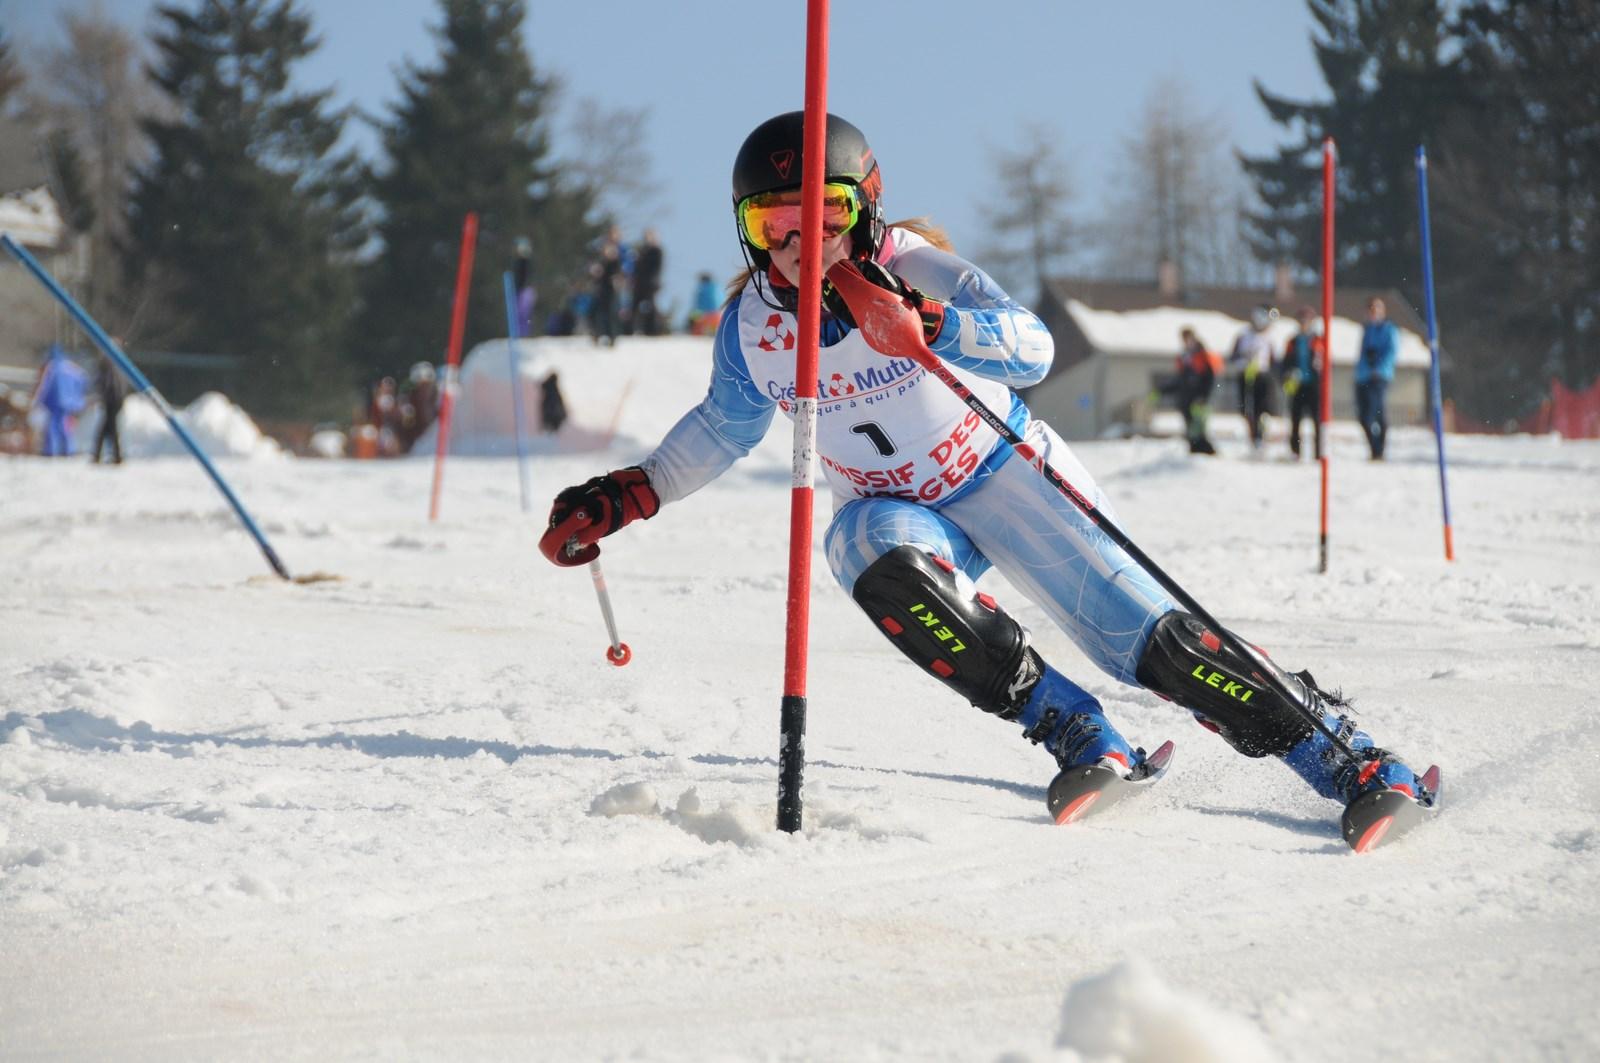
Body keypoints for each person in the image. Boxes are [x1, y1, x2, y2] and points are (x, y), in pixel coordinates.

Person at [536, 112, 1427, 829]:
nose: (804, 242)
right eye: (775, 224)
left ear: (866, 207)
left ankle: (1345, 756)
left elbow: (1032, 348)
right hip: (896, 508)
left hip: (1003, 470)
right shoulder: (754, 328)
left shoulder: (913, 266)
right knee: (867, 554)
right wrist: (629, 494)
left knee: (1159, 649)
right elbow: (722, 427)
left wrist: (929, 325)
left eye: (828, 215)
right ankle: (1078, 732)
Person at [1227, 305, 1277, 453]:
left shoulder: (1270, 337)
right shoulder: (1243, 335)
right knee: (1246, 408)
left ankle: (1260, 436)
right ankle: (1253, 436)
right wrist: (1244, 362)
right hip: (1245, 375)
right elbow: (1233, 356)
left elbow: (1274, 360)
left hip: (1263, 376)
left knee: (1262, 408)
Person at [1356, 296, 1398, 460]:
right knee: (1363, 417)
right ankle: (1375, 448)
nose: (1374, 312)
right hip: (1363, 377)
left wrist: (1379, 369)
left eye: (1377, 308)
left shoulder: (1389, 329)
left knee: (1377, 414)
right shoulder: (1367, 329)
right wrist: (1361, 373)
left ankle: (1379, 450)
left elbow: (1391, 353)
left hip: (1380, 378)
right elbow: (1362, 354)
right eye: (1371, 309)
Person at [31, 344, 89, 457]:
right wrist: (77, 397)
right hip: (69, 402)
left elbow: (45, 385)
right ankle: (68, 449)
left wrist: (39, 399)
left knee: (52, 426)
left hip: (55, 401)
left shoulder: (52, 368)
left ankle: (51, 450)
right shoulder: (72, 368)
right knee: (66, 426)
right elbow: (83, 379)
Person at [1282, 306, 1324, 460]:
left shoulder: (1318, 340)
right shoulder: (1293, 341)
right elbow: (1285, 363)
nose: (1304, 323)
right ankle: (1295, 451)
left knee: (1317, 420)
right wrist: (1288, 374)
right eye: (1301, 320)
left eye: (1307, 320)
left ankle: (1318, 452)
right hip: (1297, 385)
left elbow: (1325, 362)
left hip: (1313, 384)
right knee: (1295, 419)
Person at [1175, 327, 1218, 455]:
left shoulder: (1203, 355)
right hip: (1187, 398)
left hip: (1200, 398)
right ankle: (1194, 451)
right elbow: (1180, 379)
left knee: (1199, 429)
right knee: (1190, 429)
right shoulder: (1184, 356)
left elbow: (1210, 378)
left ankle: (1206, 452)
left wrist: (1204, 397)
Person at [91, 353, 128, 464]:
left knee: (109, 429)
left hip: (112, 401)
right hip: (115, 400)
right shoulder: (117, 366)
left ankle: (111, 455)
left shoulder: (108, 367)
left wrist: (104, 396)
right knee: (108, 429)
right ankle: (109, 455)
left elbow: (108, 384)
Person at [632, 229, 664, 337]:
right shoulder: (642, 250)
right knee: (635, 306)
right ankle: (631, 328)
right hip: (640, 283)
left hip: (651, 283)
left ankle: (653, 329)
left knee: (651, 307)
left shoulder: (656, 251)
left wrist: (654, 281)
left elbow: (656, 268)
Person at [687, 271, 722, 336]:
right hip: (718, 315)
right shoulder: (718, 288)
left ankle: (695, 333)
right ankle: (711, 331)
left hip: (705, 315)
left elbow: (699, 304)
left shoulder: (702, 288)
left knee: (693, 317)